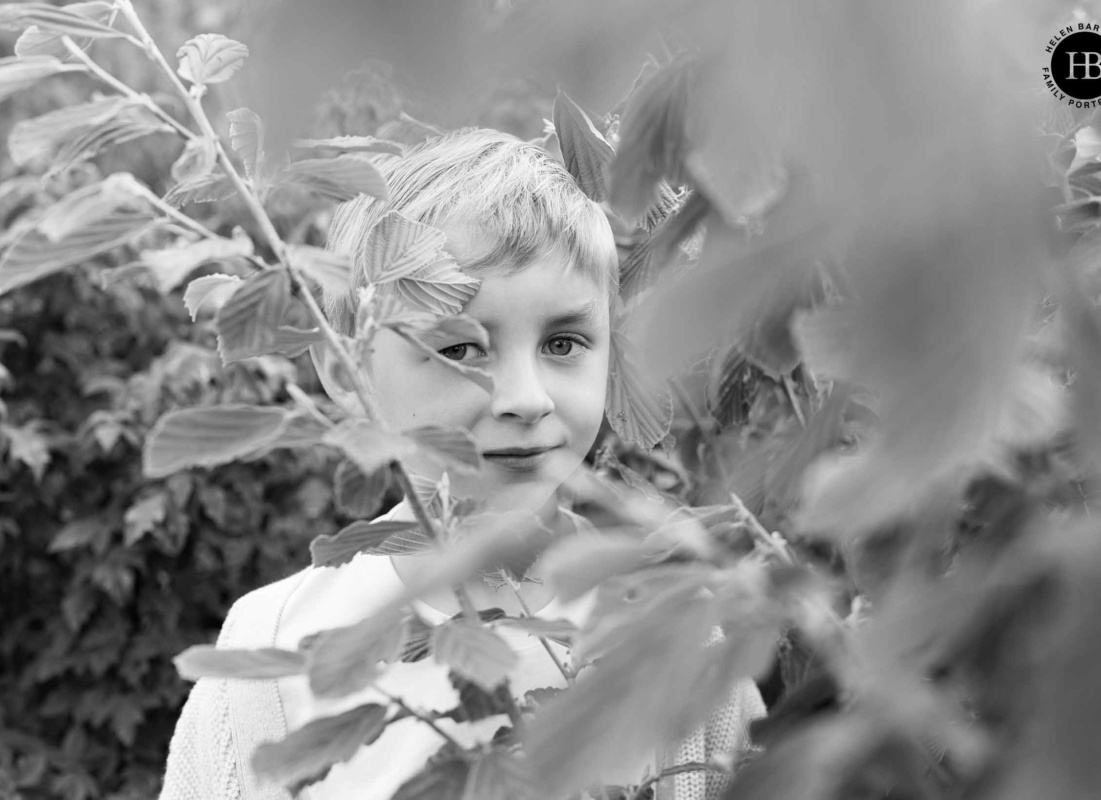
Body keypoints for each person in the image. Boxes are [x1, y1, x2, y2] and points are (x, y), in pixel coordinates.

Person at [158, 128, 764, 800]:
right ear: (347, 366)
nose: (526, 399)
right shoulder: (273, 647)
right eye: (462, 350)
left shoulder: (677, 639)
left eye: (564, 343)